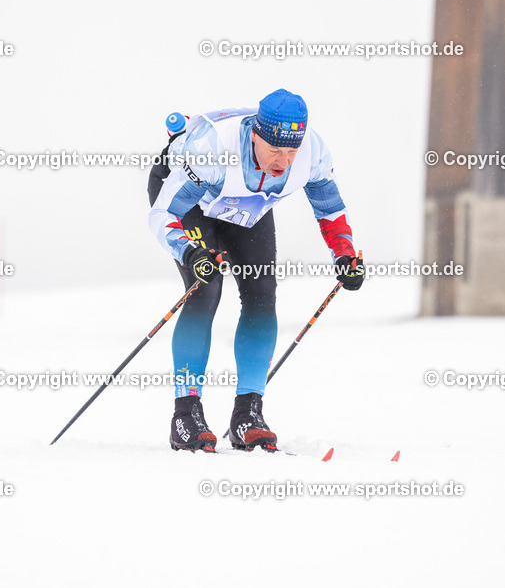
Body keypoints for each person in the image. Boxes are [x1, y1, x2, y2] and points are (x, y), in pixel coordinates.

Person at [147, 89, 364, 453]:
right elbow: (163, 213)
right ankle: (185, 416)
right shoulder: (212, 149)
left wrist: (344, 255)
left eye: (291, 151)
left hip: (246, 204)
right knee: (205, 288)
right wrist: (189, 251)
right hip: (191, 202)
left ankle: (248, 413)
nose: (284, 161)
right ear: (254, 136)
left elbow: (330, 209)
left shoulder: (312, 152)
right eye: (275, 149)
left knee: (262, 294)